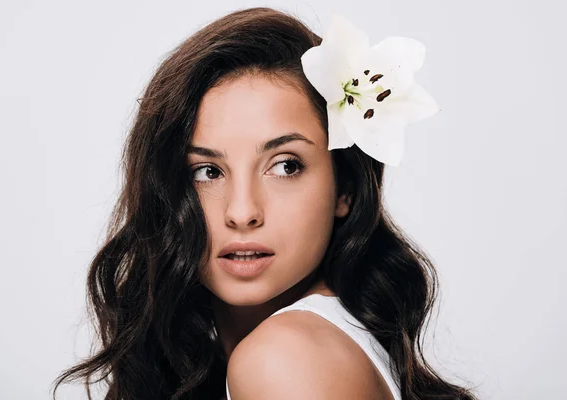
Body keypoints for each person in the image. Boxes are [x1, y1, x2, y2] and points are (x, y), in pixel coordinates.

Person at [52, 7, 477, 400]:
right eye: (207, 172)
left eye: (286, 166)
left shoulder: (284, 360)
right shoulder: (322, 343)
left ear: (344, 188)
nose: (241, 212)